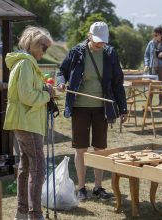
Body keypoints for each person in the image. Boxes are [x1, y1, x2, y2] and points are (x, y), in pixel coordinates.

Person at [57, 21, 127, 201]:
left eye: (103, 41)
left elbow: (118, 83)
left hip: (102, 108)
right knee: (81, 149)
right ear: (89, 36)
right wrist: (60, 83)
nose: (100, 44)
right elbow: (61, 71)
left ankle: (98, 187)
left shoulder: (110, 54)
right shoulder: (77, 52)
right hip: (80, 106)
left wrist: (123, 108)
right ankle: (81, 188)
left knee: (100, 148)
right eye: (97, 41)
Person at [3, 26, 54, 220]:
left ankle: (22, 213)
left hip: (26, 121)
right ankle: (35, 215)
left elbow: (28, 91)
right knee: (38, 167)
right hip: (27, 122)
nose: (45, 52)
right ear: (33, 44)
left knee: (26, 166)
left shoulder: (25, 63)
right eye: (44, 47)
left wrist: (44, 90)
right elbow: (26, 96)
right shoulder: (25, 64)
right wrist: (46, 95)